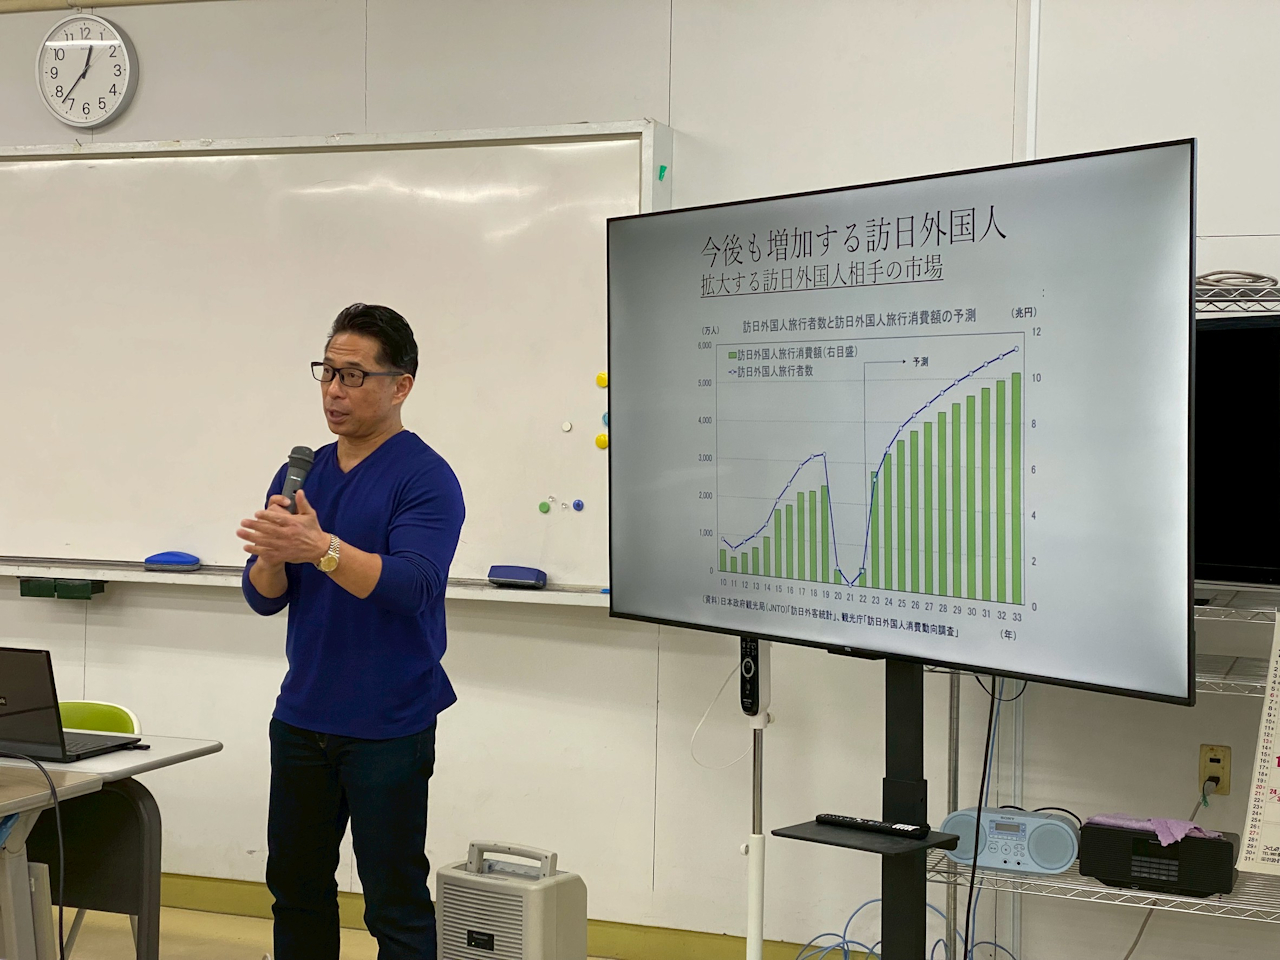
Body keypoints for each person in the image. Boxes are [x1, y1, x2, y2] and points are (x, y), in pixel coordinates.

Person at [238, 303, 465, 960]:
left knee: (393, 900)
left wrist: (321, 548)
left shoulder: (425, 477)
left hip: (388, 722)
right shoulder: (300, 472)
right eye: (328, 372)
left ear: (401, 386)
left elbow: (412, 586)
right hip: (302, 715)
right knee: (296, 889)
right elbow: (263, 599)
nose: (335, 391)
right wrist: (273, 558)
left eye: (354, 376)